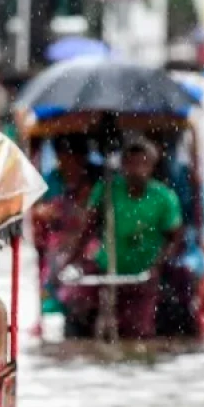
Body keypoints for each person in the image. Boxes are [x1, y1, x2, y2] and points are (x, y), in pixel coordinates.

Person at [65, 136, 184, 340]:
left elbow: (174, 238)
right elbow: (88, 230)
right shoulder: (108, 190)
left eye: (142, 163)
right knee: (81, 315)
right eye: (131, 162)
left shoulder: (164, 197)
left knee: (139, 330)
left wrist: (157, 266)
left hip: (143, 274)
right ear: (123, 165)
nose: (136, 169)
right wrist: (72, 260)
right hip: (108, 270)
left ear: (152, 165)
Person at [32, 134, 99, 318]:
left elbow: (94, 215)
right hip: (58, 241)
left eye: (75, 157)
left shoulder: (94, 179)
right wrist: (44, 211)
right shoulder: (50, 179)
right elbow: (37, 209)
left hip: (87, 240)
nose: (70, 162)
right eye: (64, 156)